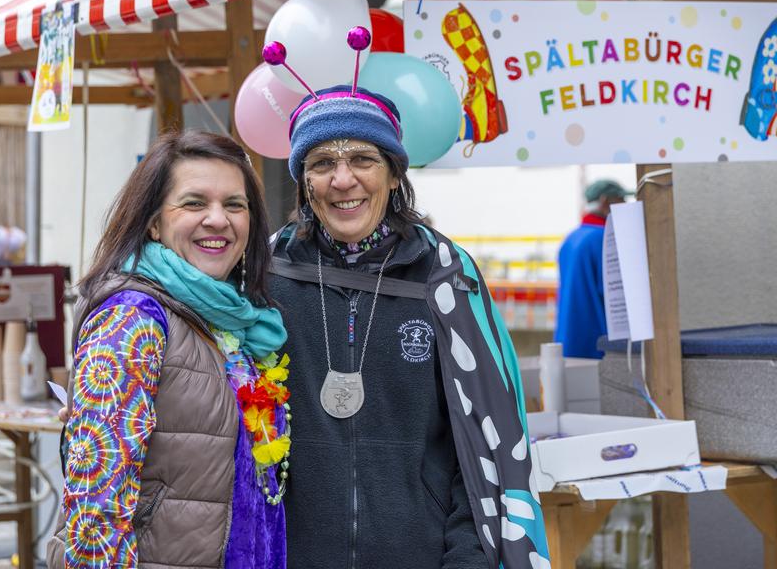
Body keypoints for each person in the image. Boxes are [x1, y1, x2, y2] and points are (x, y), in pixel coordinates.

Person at [267, 83, 550, 567]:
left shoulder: (444, 275)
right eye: (321, 164)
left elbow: (484, 437)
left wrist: (468, 558)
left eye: (362, 159)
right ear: (303, 182)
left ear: (395, 173)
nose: (342, 179)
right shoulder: (267, 274)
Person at [47, 131, 289, 569]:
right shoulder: (133, 316)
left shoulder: (233, 320)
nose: (218, 220)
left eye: (235, 204)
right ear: (154, 222)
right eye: (195, 203)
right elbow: (95, 511)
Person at [555, 179, 630, 359]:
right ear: (605, 202)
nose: (625, 205)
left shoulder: (571, 239)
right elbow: (616, 296)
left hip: (567, 340)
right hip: (597, 344)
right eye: (621, 199)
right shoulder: (605, 239)